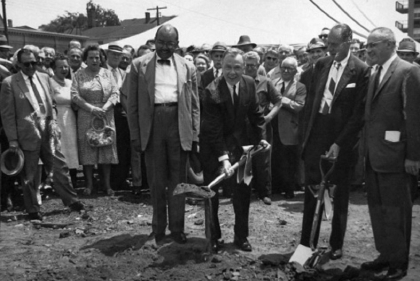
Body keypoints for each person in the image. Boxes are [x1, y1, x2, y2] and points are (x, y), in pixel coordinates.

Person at [300, 23, 369, 260]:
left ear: (348, 42)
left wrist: (339, 143)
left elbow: (358, 115)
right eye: (327, 43)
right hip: (317, 135)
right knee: (312, 192)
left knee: (338, 195)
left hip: (342, 141)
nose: (329, 48)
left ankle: (335, 244)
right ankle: (305, 243)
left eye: (334, 44)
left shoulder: (360, 70)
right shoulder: (321, 65)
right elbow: (311, 103)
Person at [126, 24, 200, 244]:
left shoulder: (188, 67)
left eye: (170, 43)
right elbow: (132, 105)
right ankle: (158, 229)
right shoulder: (139, 65)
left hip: (179, 122)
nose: (165, 47)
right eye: (161, 42)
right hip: (153, 123)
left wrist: (195, 135)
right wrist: (136, 135)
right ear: (154, 41)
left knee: (179, 180)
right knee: (157, 180)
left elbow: (195, 105)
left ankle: (177, 229)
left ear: (177, 44)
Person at [361, 27, 420, 280]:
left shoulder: (408, 71)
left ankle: (398, 264)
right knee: (378, 210)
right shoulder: (375, 72)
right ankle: (384, 255)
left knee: (397, 212)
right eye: (367, 45)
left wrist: (413, 157)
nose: (369, 50)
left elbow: (414, 119)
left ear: (389, 44)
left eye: (373, 45)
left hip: (397, 158)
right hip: (374, 157)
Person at [0, 49, 85, 220]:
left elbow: (51, 103)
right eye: (27, 64)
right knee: (30, 174)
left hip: (48, 130)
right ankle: (33, 210)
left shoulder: (45, 77)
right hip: (27, 133)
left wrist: (53, 120)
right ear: (18, 65)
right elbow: (7, 114)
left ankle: (72, 201)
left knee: (60, 166)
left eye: (34, 63)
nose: (31, 66)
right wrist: (13, 140)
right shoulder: (10, 83)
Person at [200, 48, 269, 252]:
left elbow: (256, 115)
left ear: (244, 68)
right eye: (228, 67)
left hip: (241, 147)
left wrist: (262, 139)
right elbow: (213, 129)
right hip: (213, 147)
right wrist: (223, 158)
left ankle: (241, 236)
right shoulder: (212, 91)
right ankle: (213, 237)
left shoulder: (249, 83)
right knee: (212, 194)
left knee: (243, 192)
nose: (232, 72)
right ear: (221, 67)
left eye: (237, 67)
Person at [71, 45, 119, 196]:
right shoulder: (79, 75)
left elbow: (115, 92)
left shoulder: (107, 73)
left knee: (105, 147)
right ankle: (89, 185)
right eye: (91, 57)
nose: (94, 60)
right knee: (88, 149)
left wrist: (105, 107)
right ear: (85, 59)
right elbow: (74, 95)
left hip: (106, 113)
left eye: (97, 57)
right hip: (87, 114)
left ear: (101, 59)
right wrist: (92, 109)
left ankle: (106, 184)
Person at [244, 51, 282, 205]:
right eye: (247, 65)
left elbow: (279, 102)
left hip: (261, 127)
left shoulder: (266, 82)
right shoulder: (239, 80)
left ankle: (264, 193)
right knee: (244, 158)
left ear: (259, 65)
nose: (250, 68)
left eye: (253, 65)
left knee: (263, 161)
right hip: (244, 126)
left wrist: (269, 117)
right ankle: (245, 191)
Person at [272, 57, 306, 199]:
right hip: (273, 128)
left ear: (295, 71)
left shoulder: (300, 87)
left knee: (290, 161)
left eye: (289, 68)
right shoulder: (273, 83)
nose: (285, 70)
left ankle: (290, 189)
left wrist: (282, 100)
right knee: (275, 159)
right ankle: (276, 187)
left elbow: (299, 106)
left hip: (290, 129)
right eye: (283, 67)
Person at [50, 54, 79, 189]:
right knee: (59, 148)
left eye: (66, 66)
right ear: (54, 69)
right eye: (60, 67)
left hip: (70, 117)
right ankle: (59, 182)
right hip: (57, 117)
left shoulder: (70, 82)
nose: (64, 69)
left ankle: (73, 180)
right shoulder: (50, 82)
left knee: (71, 148)